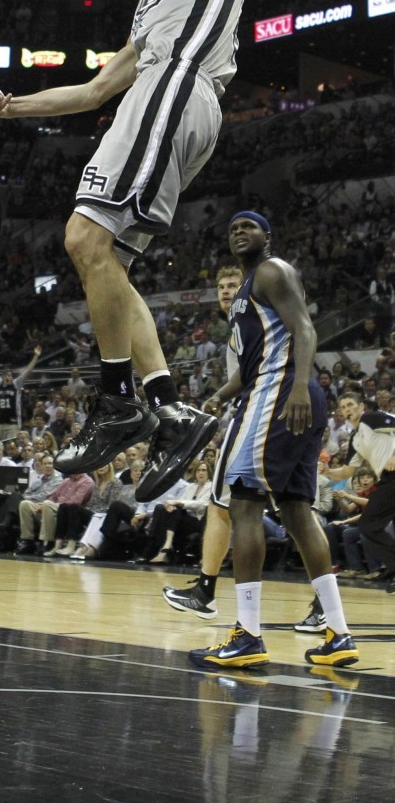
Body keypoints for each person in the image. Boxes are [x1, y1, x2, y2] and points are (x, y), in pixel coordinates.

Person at [0, 0, 245, 504]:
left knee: (82, 235)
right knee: (105, 260)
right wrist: (11, 106)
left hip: (179, 89)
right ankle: (168, 406)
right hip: (163, 93)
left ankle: (120, 399)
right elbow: (93, 92)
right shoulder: (152, 5)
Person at [188, 211, 358, 670]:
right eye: (232, 227)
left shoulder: (271, 270)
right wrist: (216, 398)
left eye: (249, 226)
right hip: (281, 392)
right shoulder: (245, 294)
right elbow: (246, 372)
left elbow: (305, 328)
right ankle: (339, 634)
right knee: (298, 514)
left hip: (283, 394)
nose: (239, 231)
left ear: (268, 236)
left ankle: (248, 635)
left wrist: (300, 385)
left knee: (243, 503)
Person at [327, 394, 395, 592]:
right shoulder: (355, 439)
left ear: (361, 407)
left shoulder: (371, 419)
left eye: (350, 405)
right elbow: (347, 471)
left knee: (368, 524)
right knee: (370, 525)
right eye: (343, 407)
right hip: (387, 480)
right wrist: (328, 471)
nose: (347, 409)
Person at [0, 344, 41, 440]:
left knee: (12, 445)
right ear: (2, 377)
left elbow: (28, 370)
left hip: (13, 424)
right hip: (1, 424)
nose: (7, 377)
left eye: (9, 375)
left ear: (12, 377)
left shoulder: (16, 384)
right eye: (5, 375)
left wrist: (36, 356)